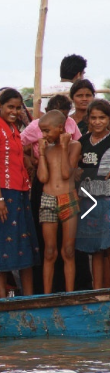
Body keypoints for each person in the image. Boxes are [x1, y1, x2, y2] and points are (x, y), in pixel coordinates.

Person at [0, 88, 39, 297]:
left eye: (17, 108)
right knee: (1, 246)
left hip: (21, 192)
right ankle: (2, 299)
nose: (14, 111)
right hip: (3, 194)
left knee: (25, 246)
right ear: (0, 106)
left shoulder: (15, 130)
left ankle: (29, 298)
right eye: (10, 107)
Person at [36, 111, 82, 294]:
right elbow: (43, 177)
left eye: (47, 131)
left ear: (60, 129)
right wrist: (40, 154)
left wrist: (63, 147)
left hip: (68, 197)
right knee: (49, 251)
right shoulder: (45, 149)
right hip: (47, 198)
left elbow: (65, 173)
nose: (44, 135)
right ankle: (48, 296)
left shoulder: (74, 145)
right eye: (42, 131)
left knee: (68, 251)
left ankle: (69, 294)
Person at [76, 99, 110, 289]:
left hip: (108, 200)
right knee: (96, 249)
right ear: (88, 119)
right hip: (89, 202)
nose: (98, 122)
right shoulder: (82, 142)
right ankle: (97, 291)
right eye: (94, 118)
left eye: (102, 118)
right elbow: (75, 169)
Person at [21, 95, 83, 162]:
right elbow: (17, 143)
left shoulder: (70, 122)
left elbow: (79, 142)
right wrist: (29, 159)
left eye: (64, 117)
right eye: (44, 131)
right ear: (47, 110)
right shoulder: (35, 125)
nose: (61, 121)